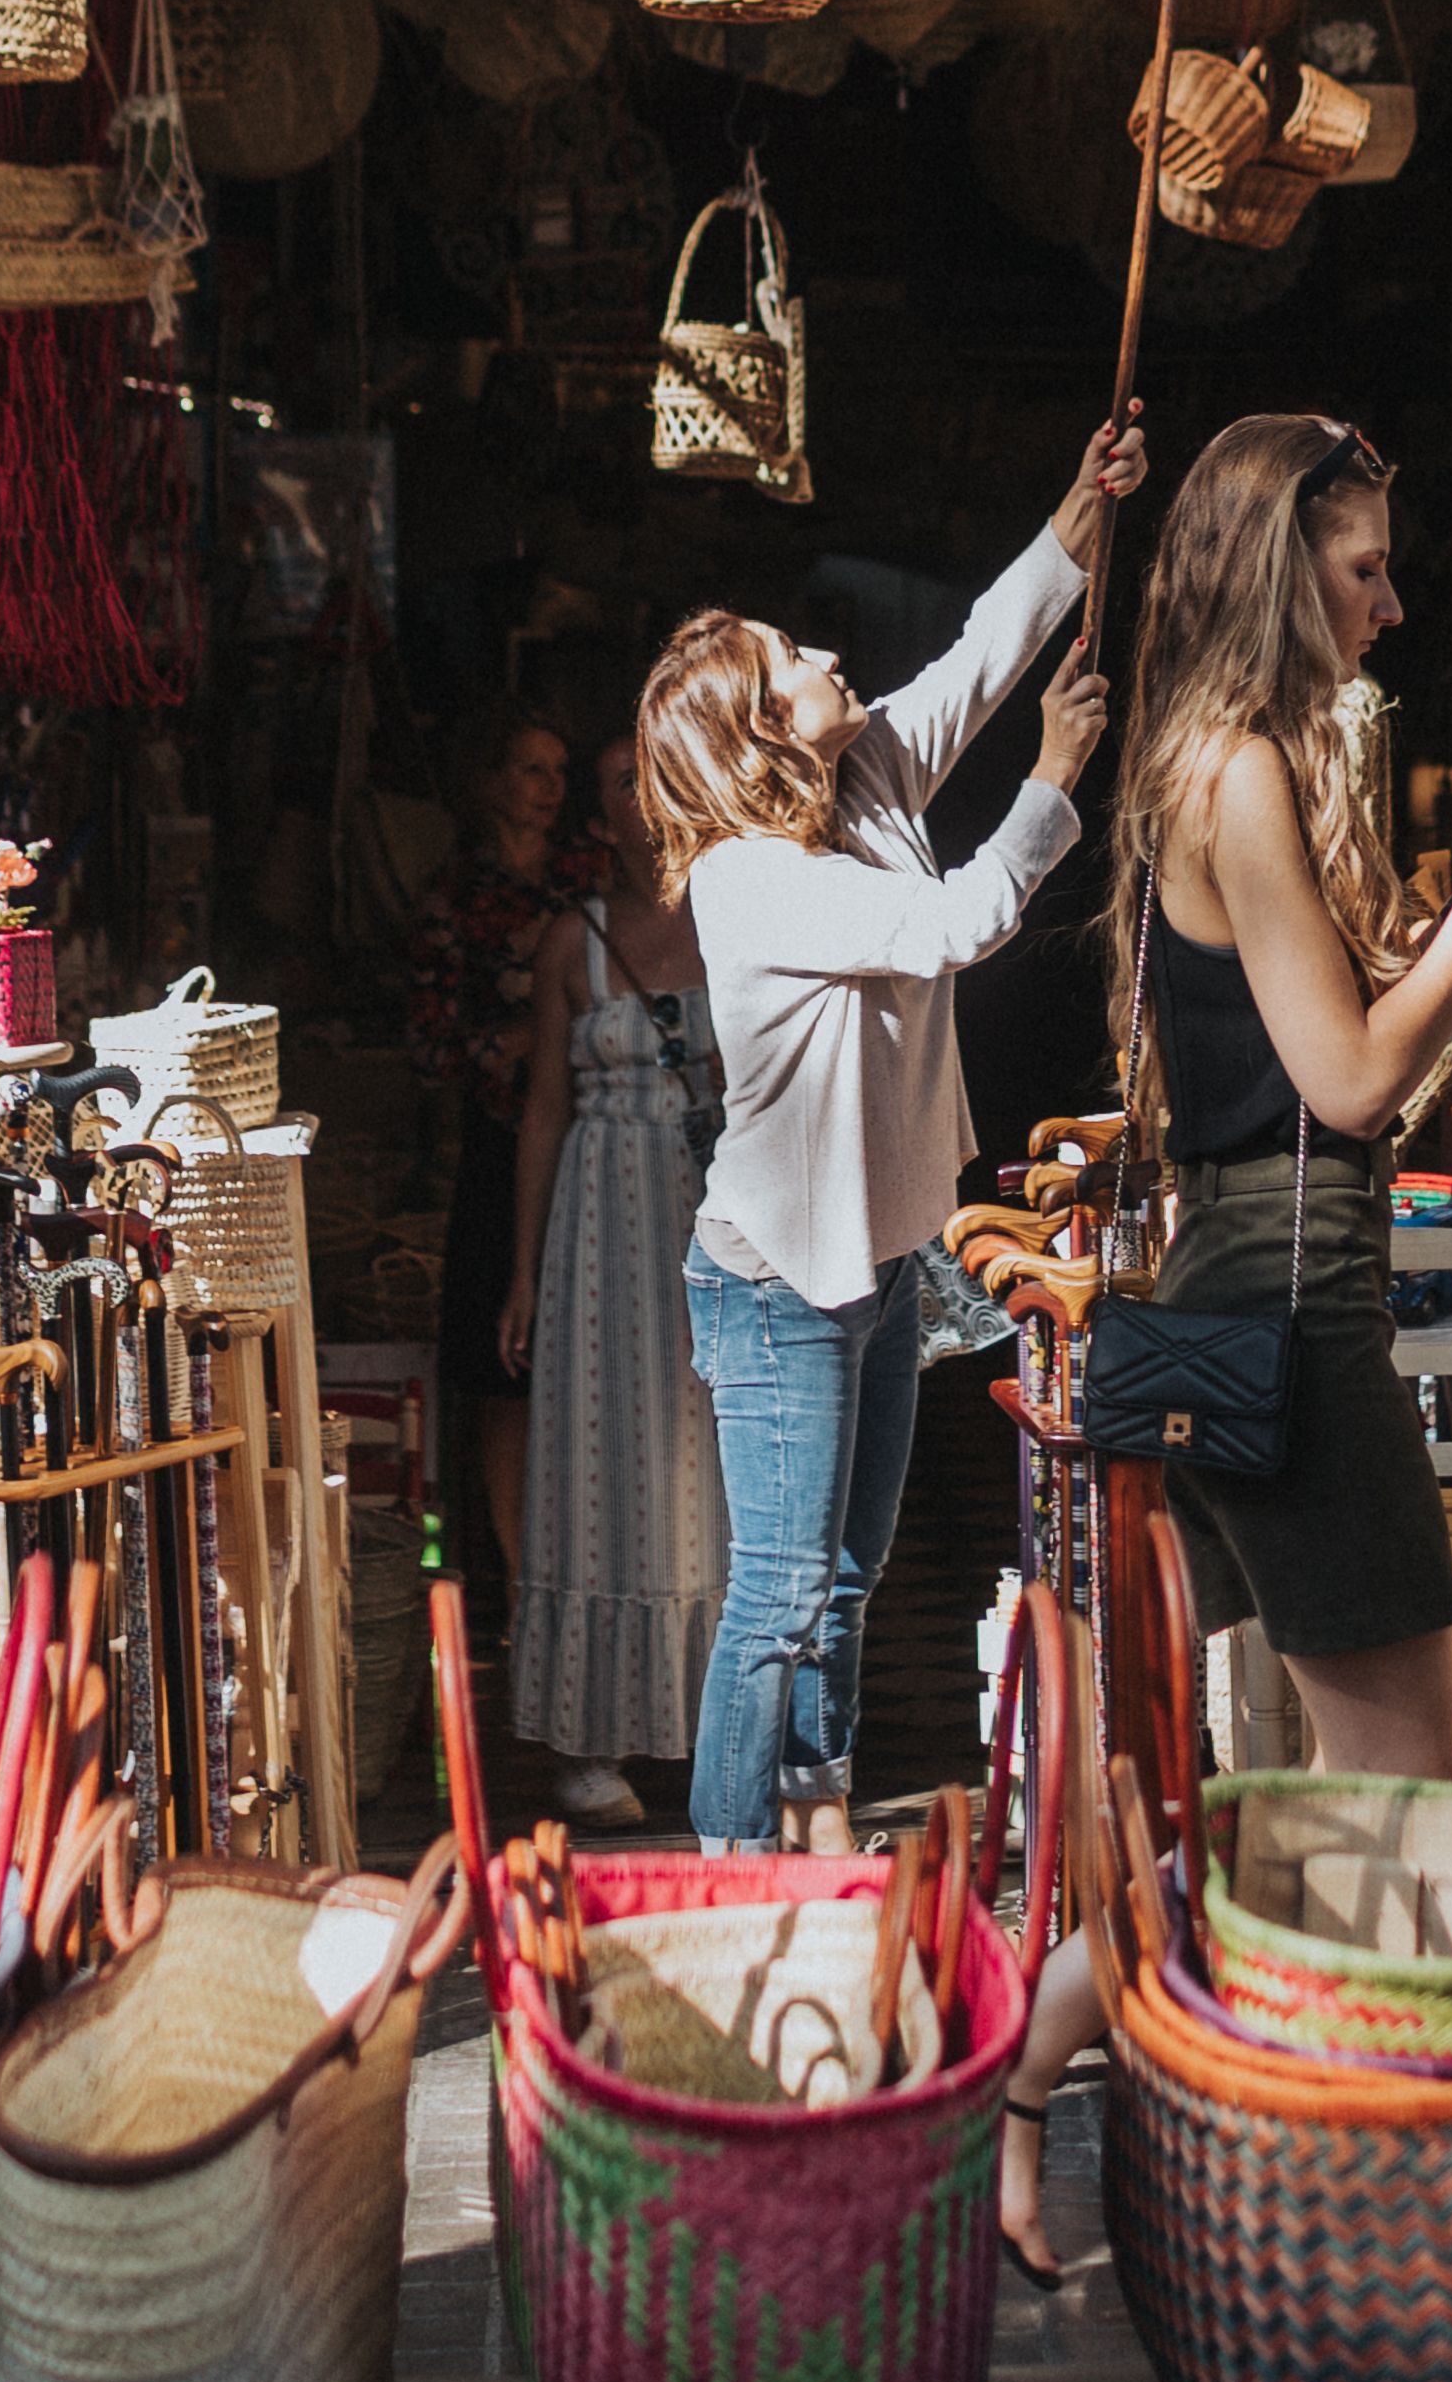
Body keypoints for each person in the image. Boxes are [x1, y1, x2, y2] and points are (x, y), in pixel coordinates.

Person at [995, 413, 1452, 2272]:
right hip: (1292, 1326)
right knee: (1398, 1805)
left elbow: (1310, 1067)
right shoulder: (1240, 775)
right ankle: (1101, 2101)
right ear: (1282, 569)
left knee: (1366, 1801)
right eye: (1363, 567)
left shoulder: (1228, 764)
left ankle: (1092, 2101)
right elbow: (1349, 1078)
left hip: (1283, 1309)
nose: (1394, 600)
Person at [641, 408, 1148, 1852]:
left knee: (848, 1578)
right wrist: (1052, 779)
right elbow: (959, 925)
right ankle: (737, 1877)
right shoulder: (746, 878)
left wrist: (1080, 502)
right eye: (786, 662)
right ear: (754, 730)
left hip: (866, 1269)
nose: (822, 655)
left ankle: (817, 1833)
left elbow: (988, 651)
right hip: (777, 1283)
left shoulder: (859, 784)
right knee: (785, 1594)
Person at [497, 734, 730, 1828]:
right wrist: (526, 1276)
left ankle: (716, 1724)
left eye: (650, 776)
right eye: (617, 781)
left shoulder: (744, 919)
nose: (636, 801)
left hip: (716, 1214)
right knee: (600, 1458)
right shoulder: (573, 941)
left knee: (715, 1460)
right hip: (601, 1227)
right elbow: (544, 1107)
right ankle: (592, 1740)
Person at [403, 707, 591, 1591]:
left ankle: (589, 1565)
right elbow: (430, 1045)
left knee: (590, 1359)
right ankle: (522, 1576)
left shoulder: (588, 882)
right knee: (500, 1368)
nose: (548, 788)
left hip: (594, 1143)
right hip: (497, 1146)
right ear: (489, 784)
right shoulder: (453, 898)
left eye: (558, 770)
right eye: (528, 768)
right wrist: (516, 1040)